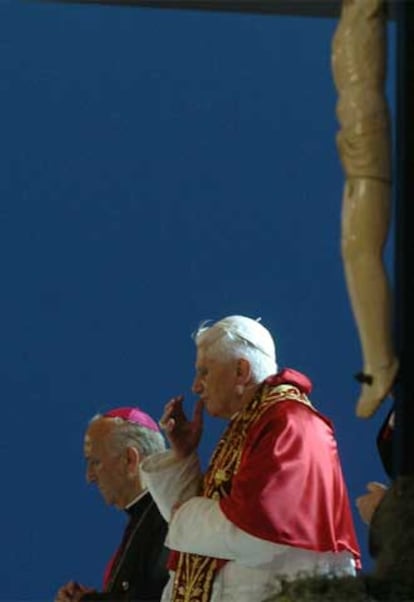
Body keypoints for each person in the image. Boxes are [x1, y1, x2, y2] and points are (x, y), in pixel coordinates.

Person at [141, 315, 361, 602]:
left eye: (205, 372)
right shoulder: (249, 424)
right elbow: (201, 540)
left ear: (241, 371)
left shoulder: (290, 422)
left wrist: (188, 513)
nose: (195, 386)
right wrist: (184, 455)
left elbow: (258, 533)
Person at [331, 0, 398, 418]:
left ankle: (380, 362)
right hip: (356, 133)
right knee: (355, 248)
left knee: (359, 248)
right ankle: (378, 360)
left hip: (363, 128)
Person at [55, 407, 169, 602]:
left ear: (130, 459)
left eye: (95, 462)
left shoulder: (168, 516)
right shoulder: (144, 517)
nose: (89, 477)